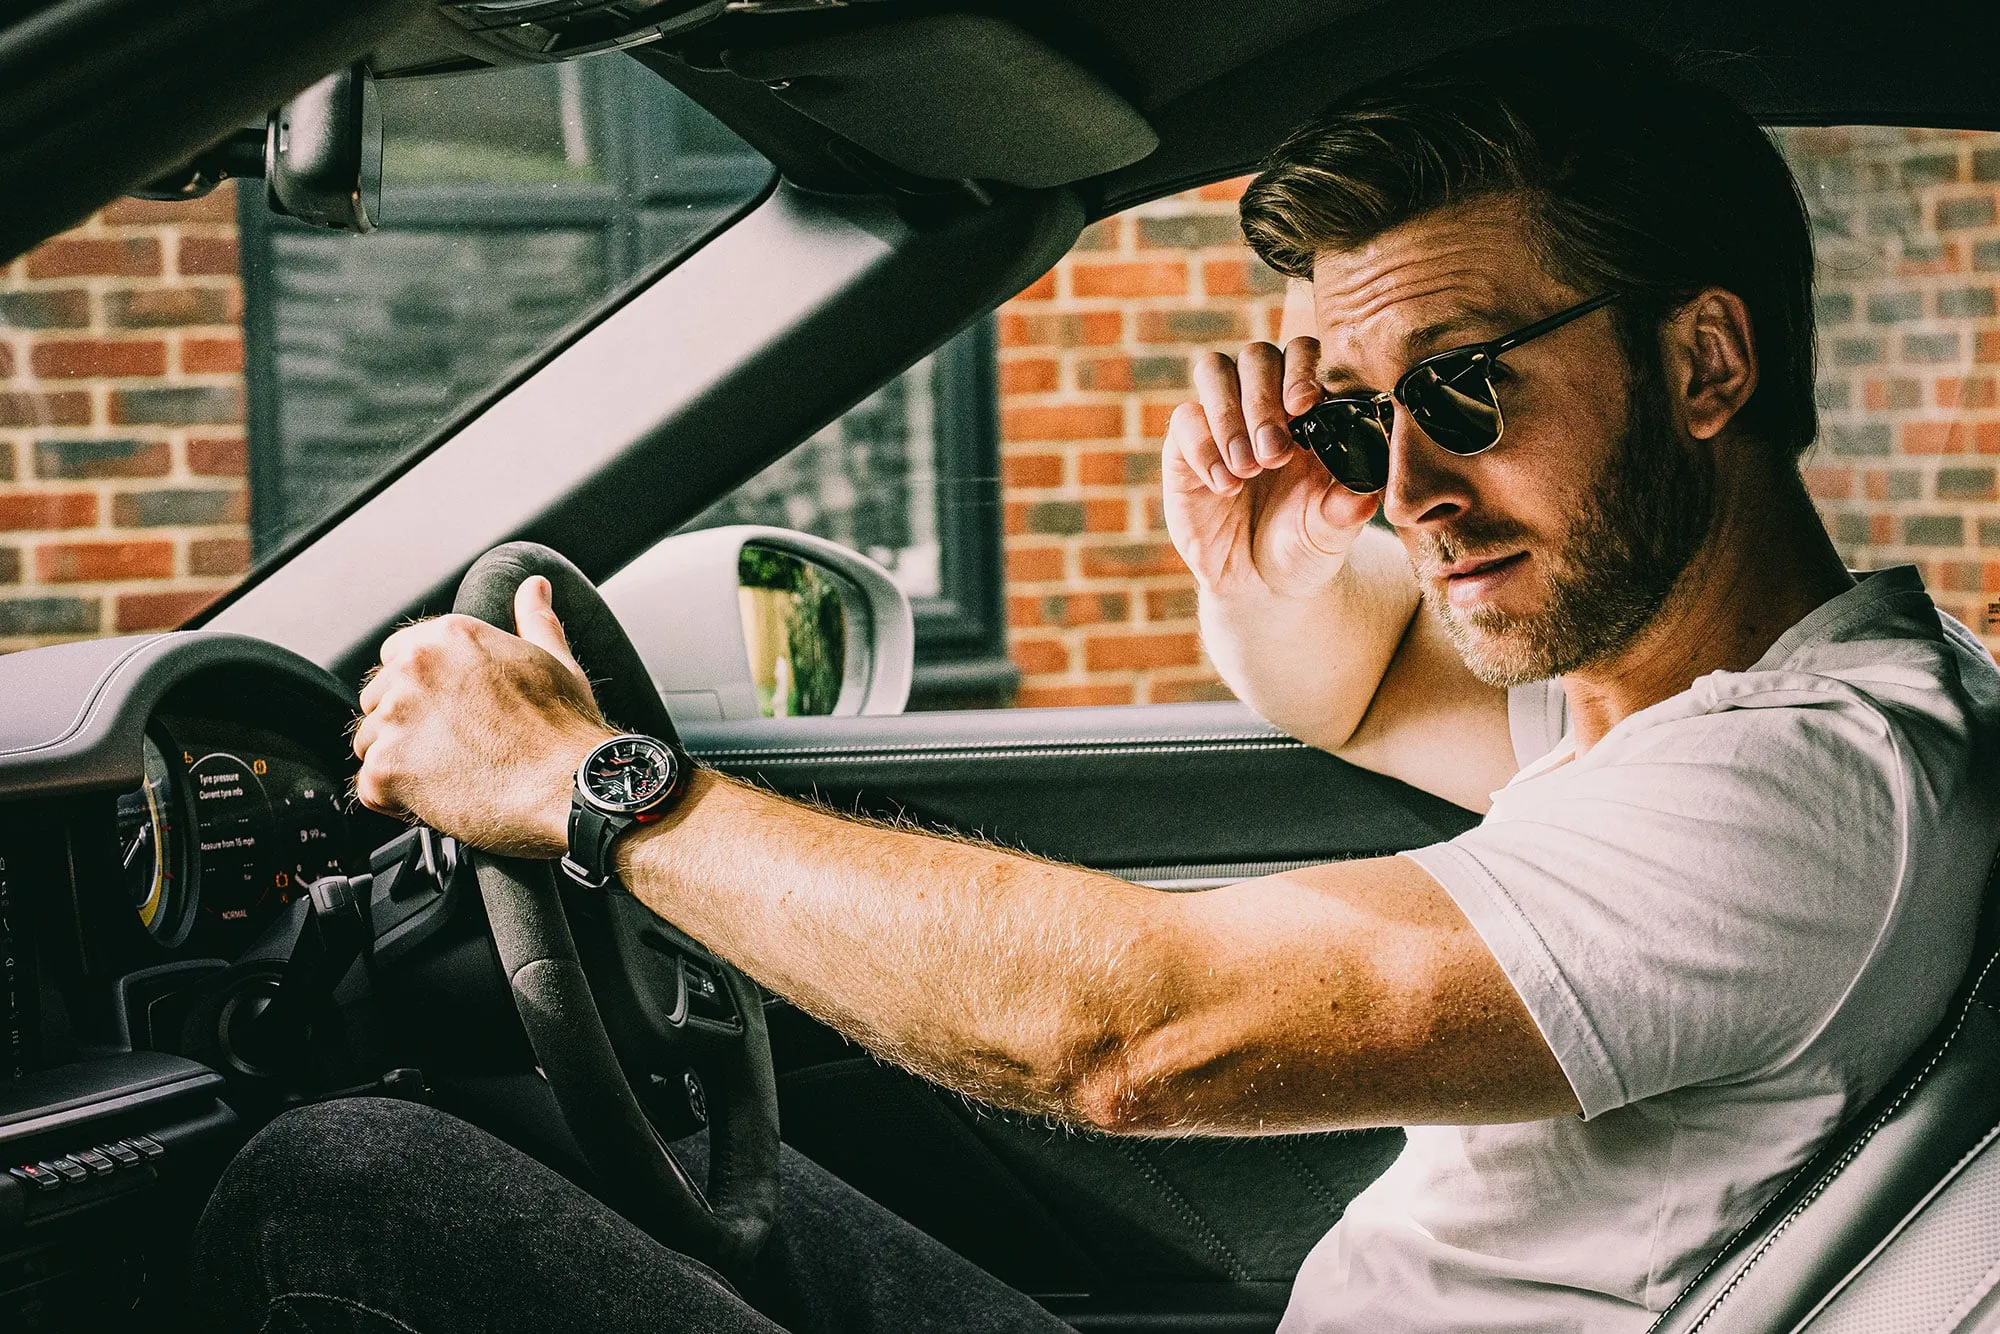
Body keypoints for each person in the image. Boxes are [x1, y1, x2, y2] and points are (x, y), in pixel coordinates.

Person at [193, 30, 2000, 1334]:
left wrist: (596, 791)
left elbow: (1138, 1032)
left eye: (1464, 388)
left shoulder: (1798, 794)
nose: (1406, 490)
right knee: (554, 1135)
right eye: (1359, 422)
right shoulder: (1696, 694)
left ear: (1705, 364)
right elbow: (1355, 696)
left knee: (350, 1188)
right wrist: (1268, 564)